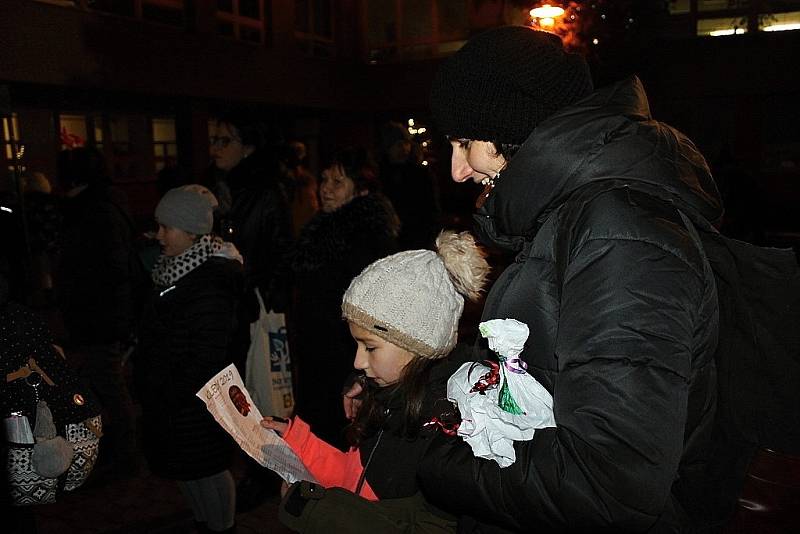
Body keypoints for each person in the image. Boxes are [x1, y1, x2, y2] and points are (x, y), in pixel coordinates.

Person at [407, 26, 724, 532]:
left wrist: (431, 459)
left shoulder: (619, 234)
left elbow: (609, 483)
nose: (456, 171)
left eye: (465, 142)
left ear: (517, 128)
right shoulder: (567, 220)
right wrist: (416, 396)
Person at [262, 230, 490, 533]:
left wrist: (311, 508)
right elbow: (356, 476)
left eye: (370, 347)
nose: (357, 362)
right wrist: (298, 443)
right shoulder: (388, 400)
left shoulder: (444, 432)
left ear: (418, 344)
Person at [134, 185, 244, 534]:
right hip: (173, 398)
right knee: (186, 469)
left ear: (193, 231)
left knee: (207, 469)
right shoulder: (174, 269)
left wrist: (169, 390)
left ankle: (222, 528)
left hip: (194, 400)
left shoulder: (209, 281)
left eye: (167, 227)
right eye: (158, 226)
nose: (159, 235)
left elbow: (206, 355)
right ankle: (203, 524)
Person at [291, 147, 399, 448]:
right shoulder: (324, 229)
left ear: (360, 188)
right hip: (318, 352)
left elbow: (375, 309)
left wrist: (360, 373)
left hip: (345, 356)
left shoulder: (367, 237)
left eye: (337, 182)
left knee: (336, 436)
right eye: (324, 179)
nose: (325, 188)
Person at [53, 146, 143, 476]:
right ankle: (115, 448)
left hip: (100, 315)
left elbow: (107, 269)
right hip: (98, 314)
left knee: (108, 383)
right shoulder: (95, 207)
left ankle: (125, 454)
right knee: (99, 382)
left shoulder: (96, 211)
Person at [378, 121, 441, 250]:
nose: (403, 148)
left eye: (406, 143)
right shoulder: (380, 174)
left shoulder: (420, 173)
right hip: (391, 240)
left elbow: (431, 207)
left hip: (418, 238)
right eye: (398, 144)